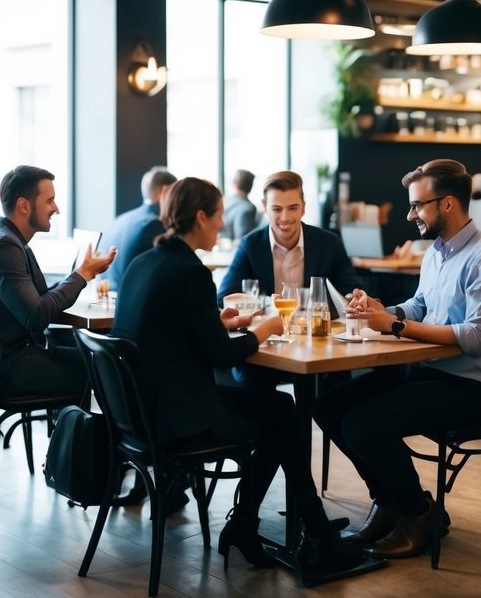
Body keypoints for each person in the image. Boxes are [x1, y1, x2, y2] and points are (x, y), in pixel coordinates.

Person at [111, 177, 351, 568]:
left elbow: (171, 328)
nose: (223, 225)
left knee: (279, 411)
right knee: (283, 413)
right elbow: (223, 357)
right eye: (219, 216)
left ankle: (284, 525)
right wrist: (263, 329)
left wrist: (215, 321)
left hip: (136, 412)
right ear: (201, 217)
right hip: (176, 417)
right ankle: (291, 527)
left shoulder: (147, 261)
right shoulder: (190, 271)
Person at [314, 159, 481, 560]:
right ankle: (391, 500)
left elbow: (476, 338)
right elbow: (421, 304)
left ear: (446, 204)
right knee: (328, 406)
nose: (410, 215)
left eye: (417, 206)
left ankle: (419, 512)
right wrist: (383, 309)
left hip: (475, 389)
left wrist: (393, 326)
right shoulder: (436, 253)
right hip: (429, 373)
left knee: (363, 424)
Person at [0, 165, 115, 397]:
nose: (56, 209)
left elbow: (36, 299)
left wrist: (81, 275)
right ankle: (83, 432)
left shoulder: (3, 237)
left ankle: (74, 430)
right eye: (49, 201)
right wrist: (82, 275)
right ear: (24, 206)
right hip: (7, 368)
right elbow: (37, 315)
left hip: (2, 359)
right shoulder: (4, 246)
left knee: (95, 356)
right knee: (109, 366)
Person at [217, 170, 362, 302]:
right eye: (277, 209)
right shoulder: (250, 245)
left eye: (293, 208)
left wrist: (352, 298)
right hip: (266, 329)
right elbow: (224, 297)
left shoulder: (330, 243)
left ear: (303, 207)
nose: (285, 218)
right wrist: (267, 305)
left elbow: (351, 288)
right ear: (265, 207)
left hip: (317, 329)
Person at [105, 166, 177, 291]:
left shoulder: (121, 219)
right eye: (176, 192)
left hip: (106, 297)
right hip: (130, 300)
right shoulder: (154, 224)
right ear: (165, 190)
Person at [220, 168, 258, 241]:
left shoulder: (224, 200)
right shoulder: (248, 208)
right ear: (251, 186)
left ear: (234, 184)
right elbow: (243, 238)